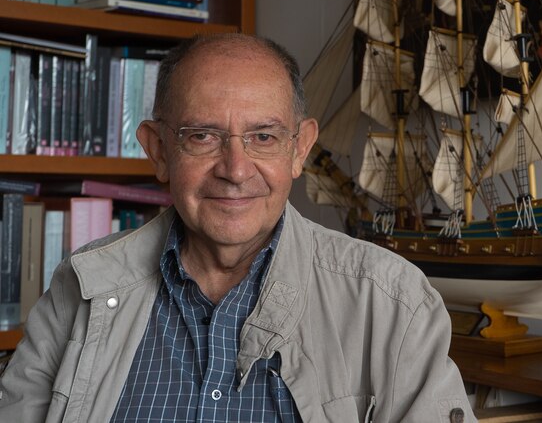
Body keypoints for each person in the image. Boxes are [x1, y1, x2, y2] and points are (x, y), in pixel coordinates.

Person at [0, 34, 476, 422]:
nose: (235, 168)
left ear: (299, 149)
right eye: (202, 136)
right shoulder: (80, 287)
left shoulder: (393, 304)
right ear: (159, 150)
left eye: (263, 137)